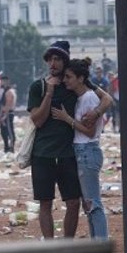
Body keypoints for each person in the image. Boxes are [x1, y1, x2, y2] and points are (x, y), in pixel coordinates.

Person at [27, 40, 113, 239]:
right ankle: (50, 246)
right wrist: (49, 92)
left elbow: (106, 99)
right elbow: (38, 121)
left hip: (69, 154)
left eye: (57, 59)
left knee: (73, 202)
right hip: (43, 154)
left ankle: (68, 246)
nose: (53, 64)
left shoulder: (73, 82)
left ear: (65, 62)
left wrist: (97, 112)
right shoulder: (38, 87)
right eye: (50, 59)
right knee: (45, 203)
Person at [50, 58, 109, 239]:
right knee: (89, 204)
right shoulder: (84, 97)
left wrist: (67, 118)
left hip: (87, 151)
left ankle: (100, 243)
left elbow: (89, 132)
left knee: (93, 203)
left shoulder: (89, 98)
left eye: (69, 77)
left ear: (80, 78)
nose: (66, 80)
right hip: (84, 152)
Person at [0, 75, 17, 153]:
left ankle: (11, 147)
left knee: (10, 131)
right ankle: (6, 147)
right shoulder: (5, 91)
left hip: (8, 114)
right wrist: (0, 115)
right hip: (5, 113)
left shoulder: (9, 91)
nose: (1, 83)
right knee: (4, 131)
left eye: (2, 81)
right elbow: (3, 105)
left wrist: (5, 116)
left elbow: (8, 104)